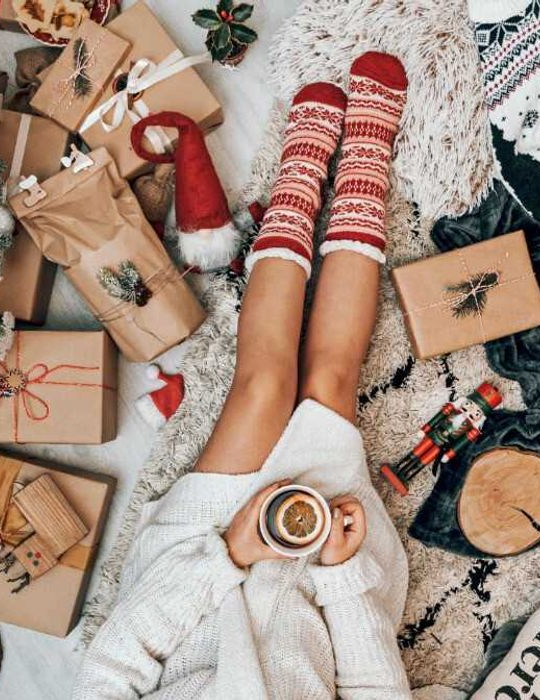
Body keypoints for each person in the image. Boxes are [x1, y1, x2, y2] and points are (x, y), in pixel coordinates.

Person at [73, 53, 412, 699]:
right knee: (331, 385)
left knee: (261, 390)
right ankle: (367, 156)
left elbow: (110, 664)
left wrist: (230, 549)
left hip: (198, 568)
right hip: (321, 591)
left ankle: (301, 171)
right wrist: (341, 577)